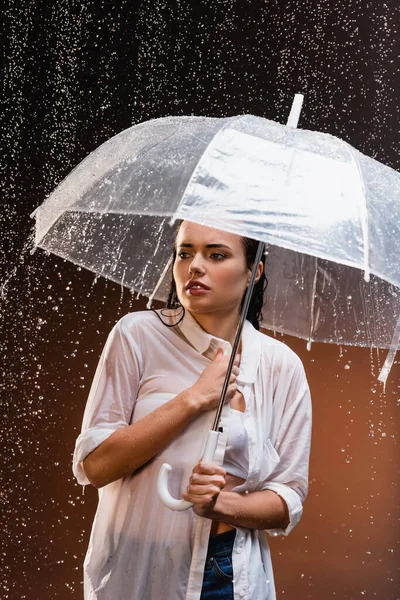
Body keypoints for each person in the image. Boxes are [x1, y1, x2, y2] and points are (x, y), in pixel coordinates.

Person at [73, 221, 312, 600]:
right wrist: (194, 398)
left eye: (216, 254)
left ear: (253, 272)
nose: (194, 266)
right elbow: (96, 467)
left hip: (230, 574)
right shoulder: (136, 335)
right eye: (185, 252)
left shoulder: (280, 365)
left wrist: (222, 505)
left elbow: (288, 499)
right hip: (138, 565)